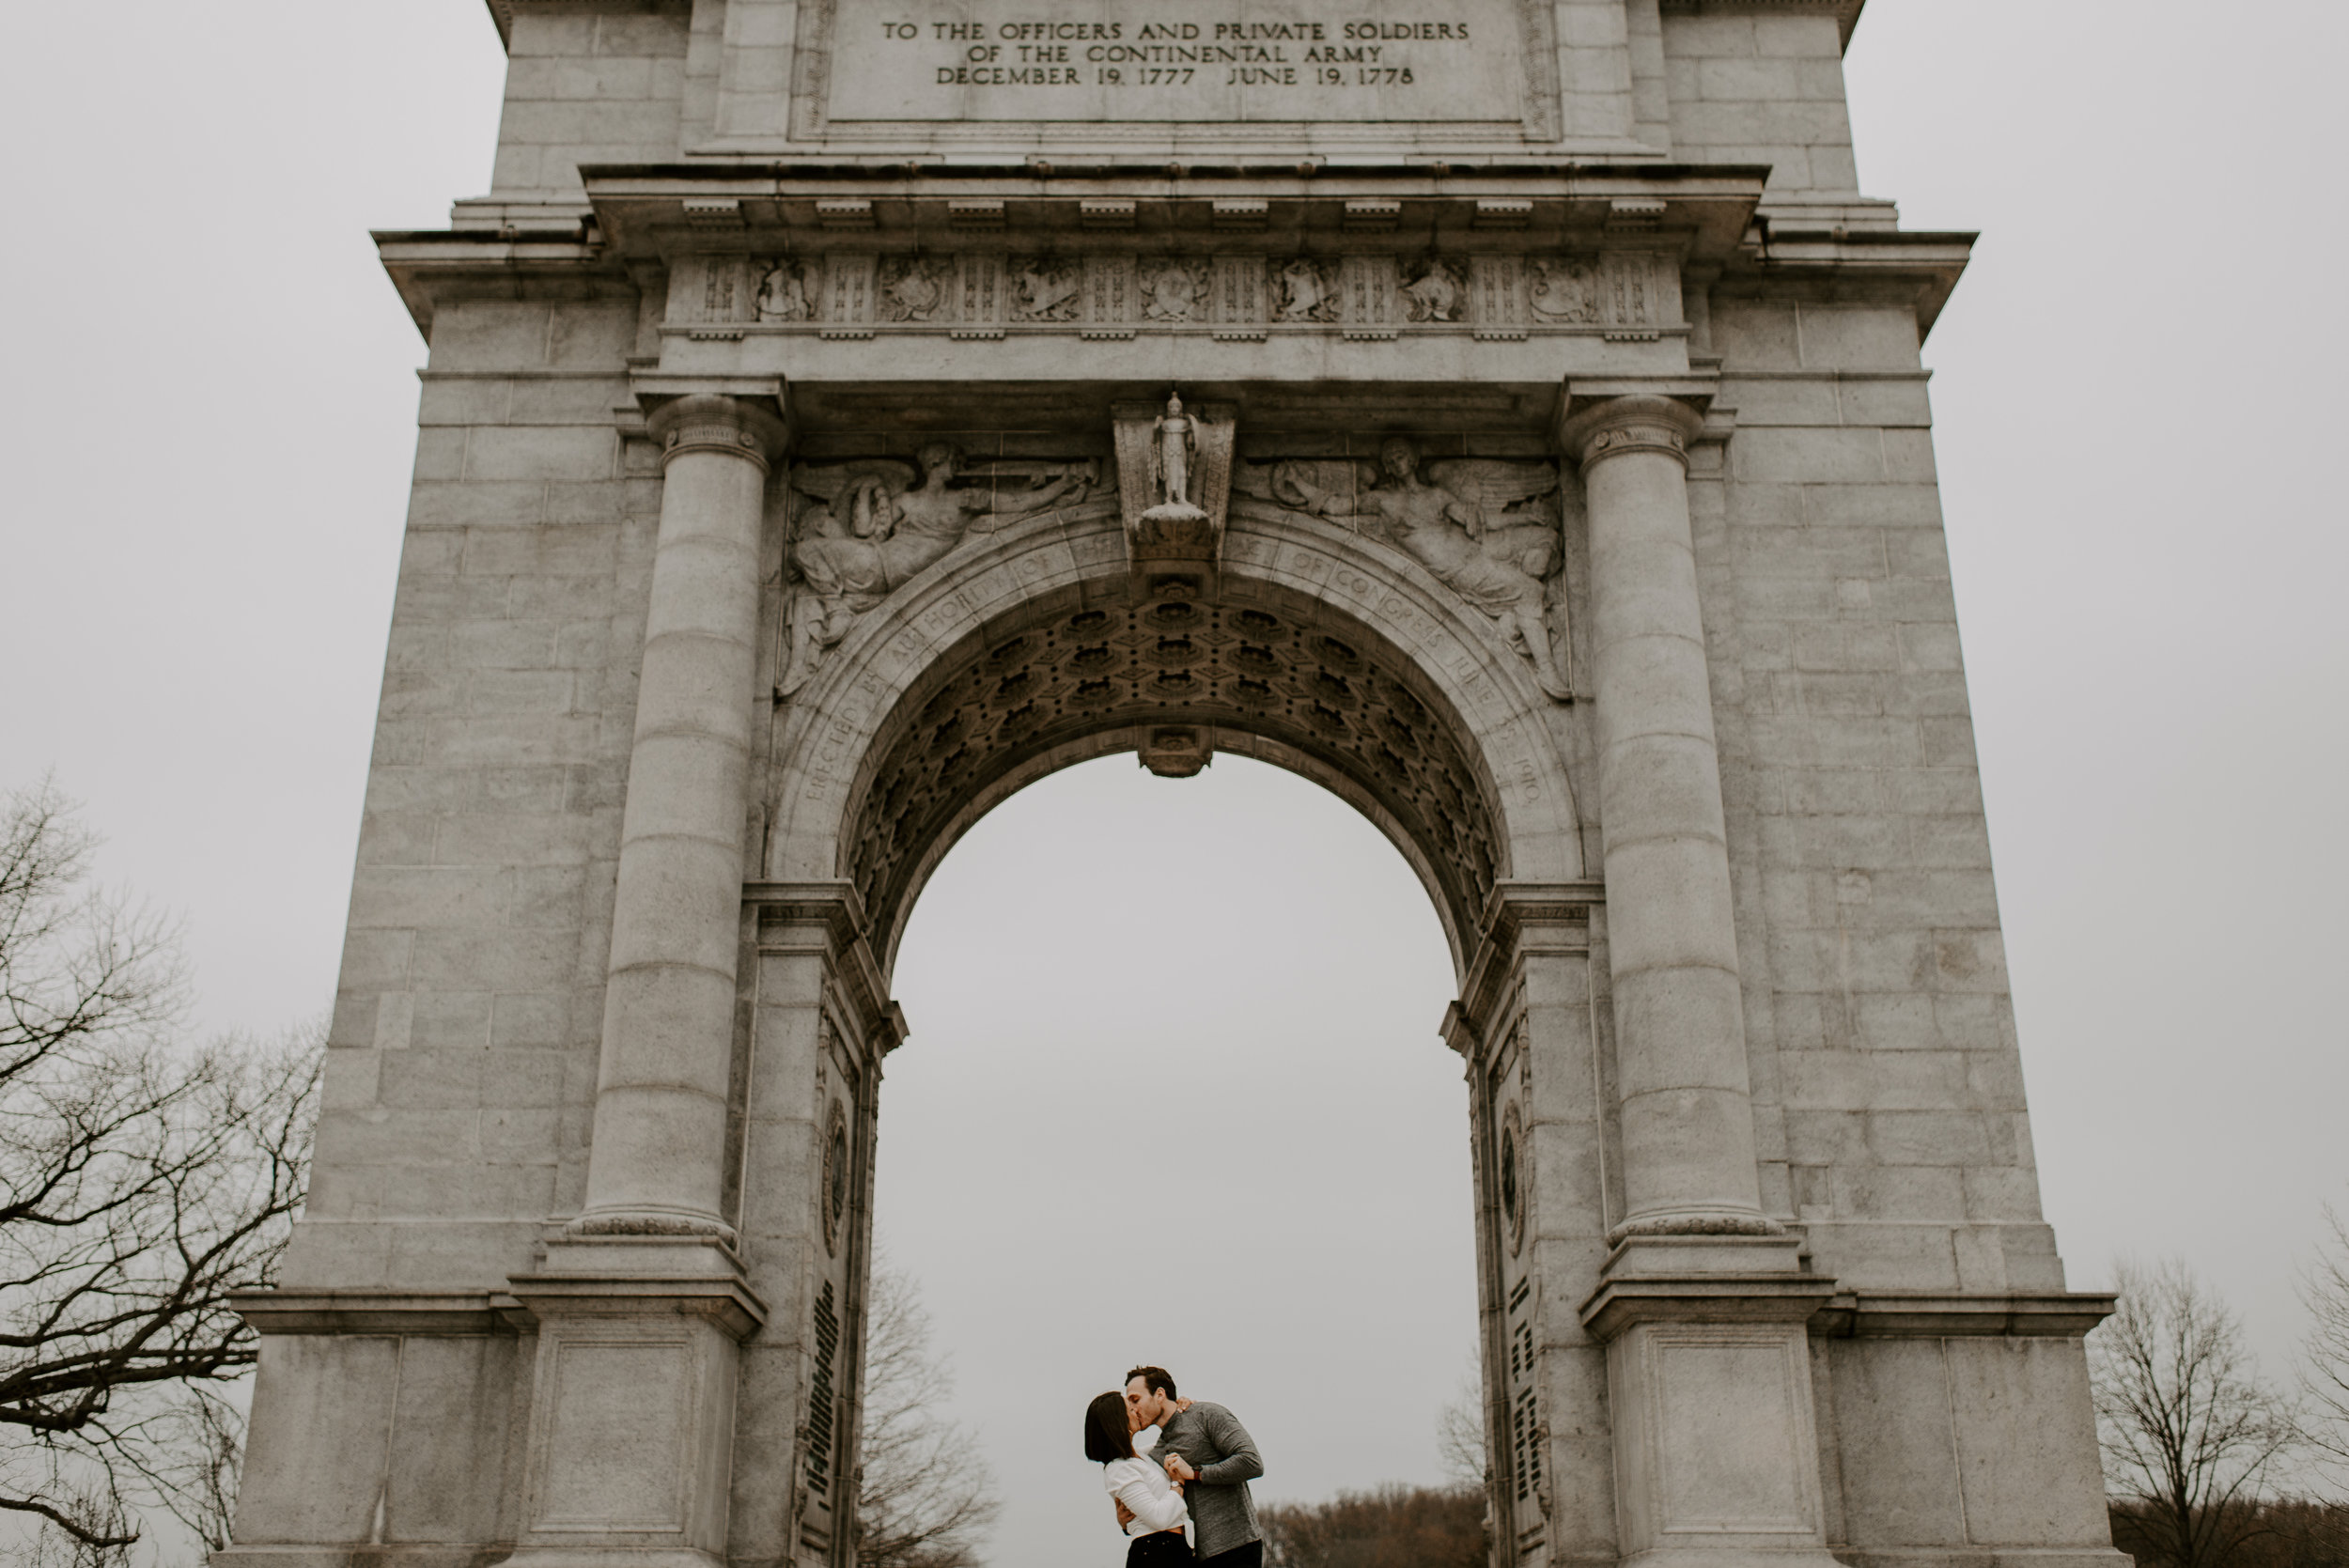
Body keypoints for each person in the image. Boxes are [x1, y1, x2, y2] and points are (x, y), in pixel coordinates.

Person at [1123, 1366, 1265, 1568]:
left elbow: (1252, 1463)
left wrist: (1195, 1473)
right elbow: (1157, 1507)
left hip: (1236, 1546)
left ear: (1160, 1394)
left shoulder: (1206, 1415)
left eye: (1135, 1399)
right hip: (1194, 1556)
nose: (1132, 1408)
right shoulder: (1156, 1452)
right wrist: (1126, 1524)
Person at [1085, 1389, 1192, 1565]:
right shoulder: (1118, 1470)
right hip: (1155, 1552)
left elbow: (1175, 1442)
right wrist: (1177, 1483)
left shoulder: (1143, 1457)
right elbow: (1159, 1518)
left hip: (1174, 1549)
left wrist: (1184, 1410)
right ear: (1118, 1420)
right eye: (1130, 1408)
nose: (1136, 1410)